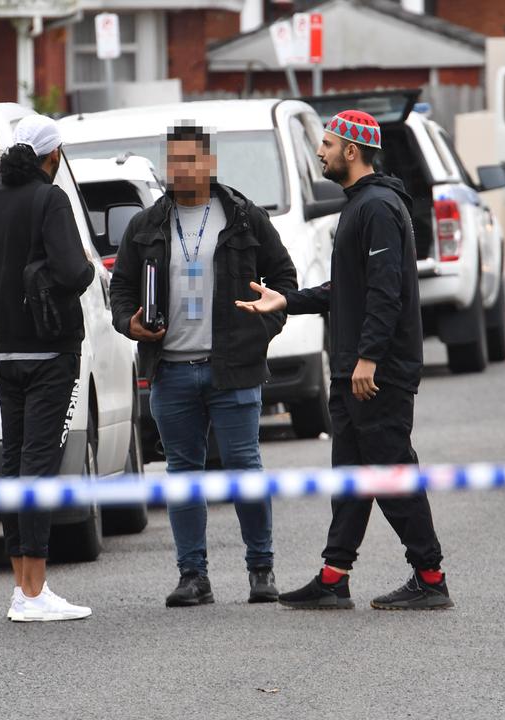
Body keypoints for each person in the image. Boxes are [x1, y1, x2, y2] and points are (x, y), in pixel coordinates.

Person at [236, 110, 452, 611]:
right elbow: (348, 289)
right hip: (354, 369)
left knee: (391, 473)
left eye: (328, 144)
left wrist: (369, 358)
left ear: (351, 151)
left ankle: (431, 577)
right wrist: (286, 300)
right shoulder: (359, 205)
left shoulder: (378, 207)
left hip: (377, 374)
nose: (320, 152)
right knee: (351, 476)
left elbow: (385, 291)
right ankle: (334, 578)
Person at [109, 122, 298, 607]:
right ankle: (193, 575)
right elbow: (121, 289)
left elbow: (284, 280)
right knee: (183, 473)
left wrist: (260, 331)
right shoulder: (146, 225)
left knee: (244, 467)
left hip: (232, 368)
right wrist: (131, 324)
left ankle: (261, 569)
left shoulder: (244, 217)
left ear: (210, 163)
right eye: (174, 161)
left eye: (191, 160)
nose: (182, 169)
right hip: (171, 370)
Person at [0, 115, 95, 623]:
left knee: (14, 463)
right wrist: (86, 266)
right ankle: (35, 590)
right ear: (53, 156)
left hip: (6, 350)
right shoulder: (51, 199)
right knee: (40, 465)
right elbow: (74, 272)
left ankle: (22, 587)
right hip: (51, 352)